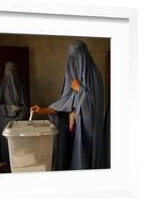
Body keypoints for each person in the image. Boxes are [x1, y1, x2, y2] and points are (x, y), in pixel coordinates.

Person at [31, 40, 105, 170]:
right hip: (72, 131)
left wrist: (80, 90)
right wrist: (43, 110)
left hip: (87, 135)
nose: (74, 63)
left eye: (77, 58)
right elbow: (65, 102)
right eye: (71, 58)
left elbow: (94, 107)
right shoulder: (73, 78)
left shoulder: (94, 78)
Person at [0, 61, 29, 165]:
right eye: (9, 72)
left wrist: (20, 115)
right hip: (6, 123)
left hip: (20, 122)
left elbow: (26, 106)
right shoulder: (1, 86)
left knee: (21, 150)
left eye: (13, 72)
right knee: (8, 147)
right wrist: (11, 109)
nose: (11, 75)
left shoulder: (21, 86)